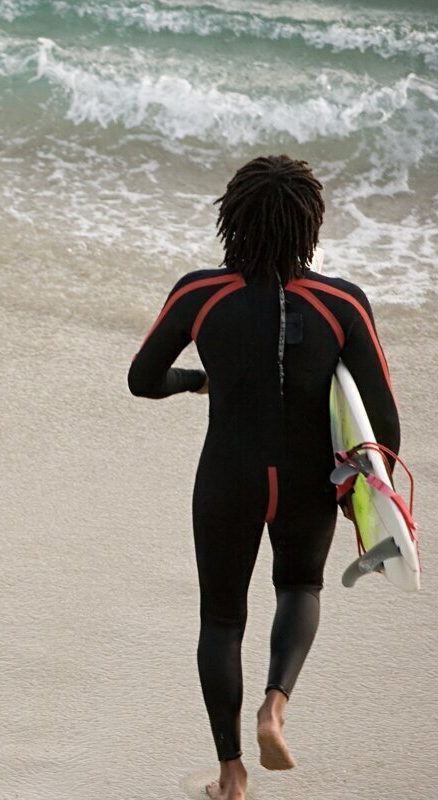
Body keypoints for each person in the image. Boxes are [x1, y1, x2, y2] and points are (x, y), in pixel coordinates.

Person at [127, 156, 399, 800]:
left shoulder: (201, 294)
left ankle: (230, 773)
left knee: (221, 621)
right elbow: (383, 426)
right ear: (310, 225)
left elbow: (142, 379)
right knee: (300, 585)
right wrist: (360, 496)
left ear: (234, 219)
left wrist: (195, 379)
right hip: (307, 484)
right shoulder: (342, 303)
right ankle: (274, 709)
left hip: (228, 477)